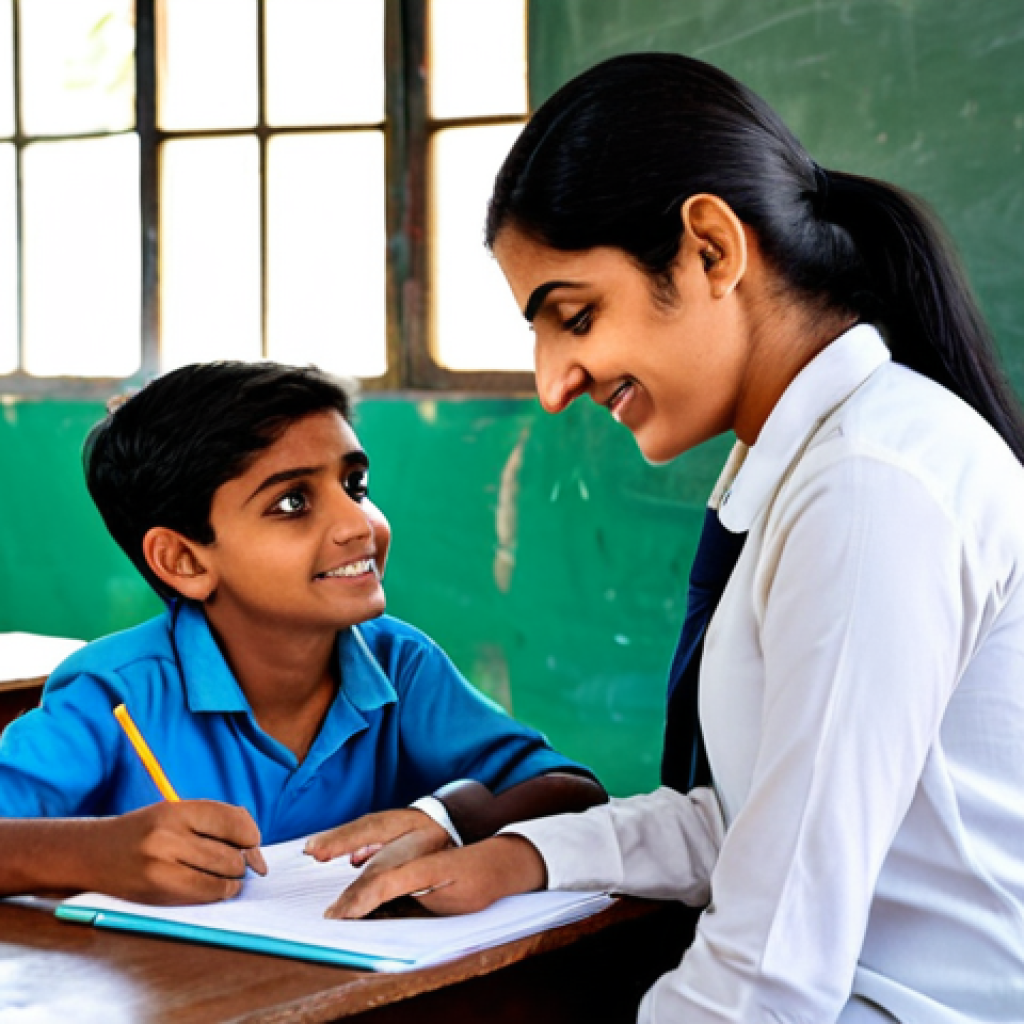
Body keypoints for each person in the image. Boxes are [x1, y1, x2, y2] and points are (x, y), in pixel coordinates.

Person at [317, 53, 1024, 1023]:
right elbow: (758, 820)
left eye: (574, 316)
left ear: (709, 248)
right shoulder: (813, 465)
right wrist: (522, 854)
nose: (553, 382)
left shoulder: (867, 488)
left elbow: (776, 961)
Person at [0, 361, 605, 907]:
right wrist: (96, 852)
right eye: (292, 502)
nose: (356, 524)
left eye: (355, 486)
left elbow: (574, 789)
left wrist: (449, 816)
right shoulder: (115, 691)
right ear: (184, 560)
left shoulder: (401, 666)